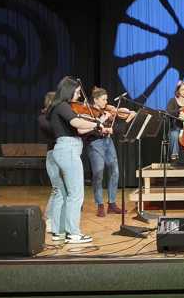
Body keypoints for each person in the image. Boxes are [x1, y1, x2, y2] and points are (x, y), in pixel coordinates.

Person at [46, 76, 110, 244]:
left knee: (64, 193)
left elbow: (80, 130)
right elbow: (76, 122)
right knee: (76, 194)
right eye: (76, 92)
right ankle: (73, 233)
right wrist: (96, 124)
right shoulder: (63, 106)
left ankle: (59, 232)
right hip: (68, 150)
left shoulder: (57, 107)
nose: (79, 96)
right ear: (68, 91)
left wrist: (96, 123)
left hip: (63, 149)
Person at [85, 87, 136, 217]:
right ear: (95, 100)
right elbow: (86, 129)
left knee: (115, 171)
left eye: (106, 99)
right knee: (98, 173)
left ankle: (112, 204)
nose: (106, 102)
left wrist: (127, 118)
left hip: (108, 142)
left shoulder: (108, 110)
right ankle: (100, 204)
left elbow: (118, 127)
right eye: (103, 100)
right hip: (95, 143)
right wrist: (101, 127)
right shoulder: (88, 111)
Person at [38, 91, 56, 234]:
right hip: (53, 155)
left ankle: (56, 218)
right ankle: (48, 218)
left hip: (64, 154)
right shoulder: (43, 118)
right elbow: (53, 131)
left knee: (64, 190)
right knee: (57, 189)